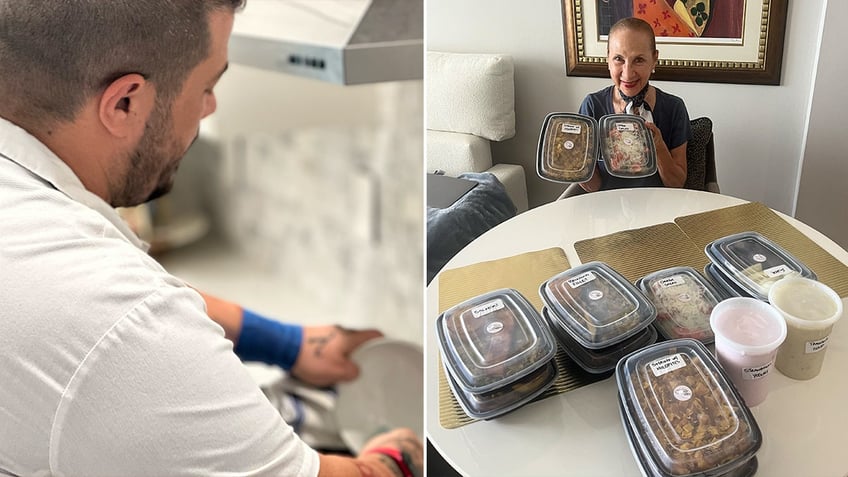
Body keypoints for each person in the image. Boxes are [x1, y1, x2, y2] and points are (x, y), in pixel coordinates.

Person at [0, 1, 422, 476]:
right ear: (125, 103)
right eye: (207, 85)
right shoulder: (118, 326)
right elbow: (120, 325)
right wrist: (396, 457)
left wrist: (287, 343)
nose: (211, 106)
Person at [576, 17, 690, 193]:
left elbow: (676, 183)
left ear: (654, 60)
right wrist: (575, 167)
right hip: (608, 210)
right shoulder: (592, 106)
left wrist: (658, 146)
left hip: (660, 208)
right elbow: (595, 187)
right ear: (607, 59)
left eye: (639, 60)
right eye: (619, 59)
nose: (628, 74)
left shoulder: (674, 108)